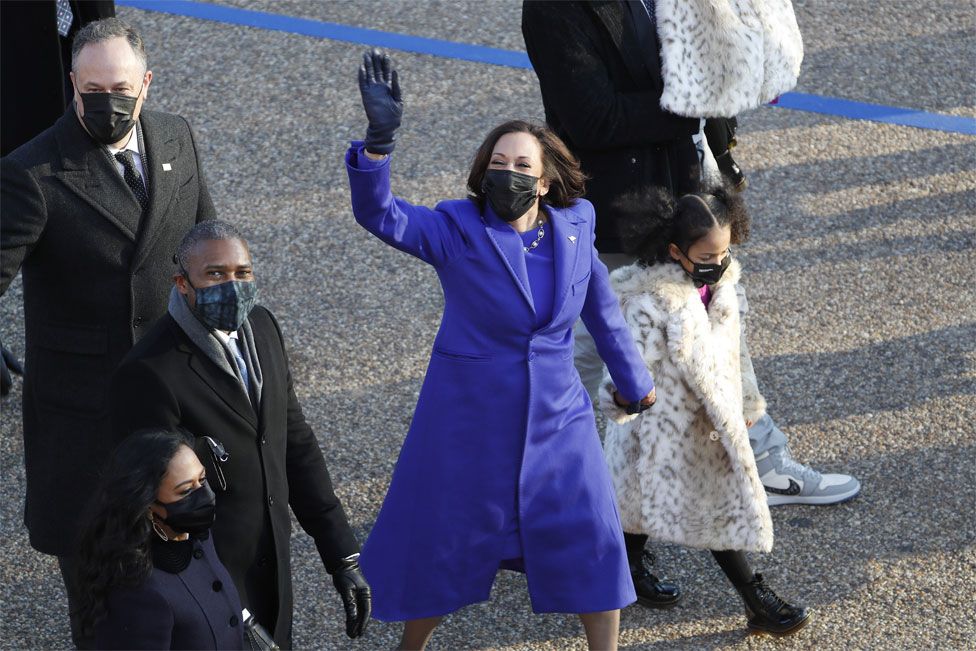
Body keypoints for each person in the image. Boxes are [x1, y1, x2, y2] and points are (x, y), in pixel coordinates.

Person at [522, 0, 860, 608]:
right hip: (622, 227)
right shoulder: (554, 8)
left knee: (719, 354)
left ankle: (755, 460)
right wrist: (698, 99)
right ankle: (607, 533)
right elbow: (591, 117)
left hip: (686, 205)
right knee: (628, 389)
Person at [347, 50, 656, 651]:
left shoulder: (576, 225)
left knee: (592, 534)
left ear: (544, 180)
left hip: (559, 418)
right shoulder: (455, 228)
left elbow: (602, 309)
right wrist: (378, 145)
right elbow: (380, 214)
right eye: (497, 162)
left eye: (521, 164)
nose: (507, 173)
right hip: (467, 418)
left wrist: (634, 381)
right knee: (445, 542)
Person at [0, 16, 215, 646]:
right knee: (108, 608)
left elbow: (206, 244)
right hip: (87, 427)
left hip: (172, 404)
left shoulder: (176, 137)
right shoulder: (31, 174)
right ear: (72, 86)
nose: (106, 104)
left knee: (188, 582)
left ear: (145, 83)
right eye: (91, 90)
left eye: (119, 88)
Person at [109, 221, 370, 647]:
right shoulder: (148, 373)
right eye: (215, 274)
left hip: (272, 574)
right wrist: (238, 612)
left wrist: (340, 554)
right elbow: (155, 511)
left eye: (242, 273)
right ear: (182, 283)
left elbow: (294, 443)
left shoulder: (263, 327)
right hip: (210, 595)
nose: (232, 286)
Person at [601, 187, 809, 636]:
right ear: (676, 251)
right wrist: (622, 399)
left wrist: (748, 399)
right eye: (709, 253)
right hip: (660, 432)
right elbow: (622, 366)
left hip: (708, 427)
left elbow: (737, 348)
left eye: (727, 249)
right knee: (710, 512)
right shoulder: (648, 301)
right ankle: (757, 600)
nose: (721, 260)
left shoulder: (723, 284)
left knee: (640, 506)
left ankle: (631, 567)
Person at [75, 428, 245, 649]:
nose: (204, 495)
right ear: (147, 505)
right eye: (185, 491)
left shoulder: (194, 535)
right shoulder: (138, 592)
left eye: (202, 480)